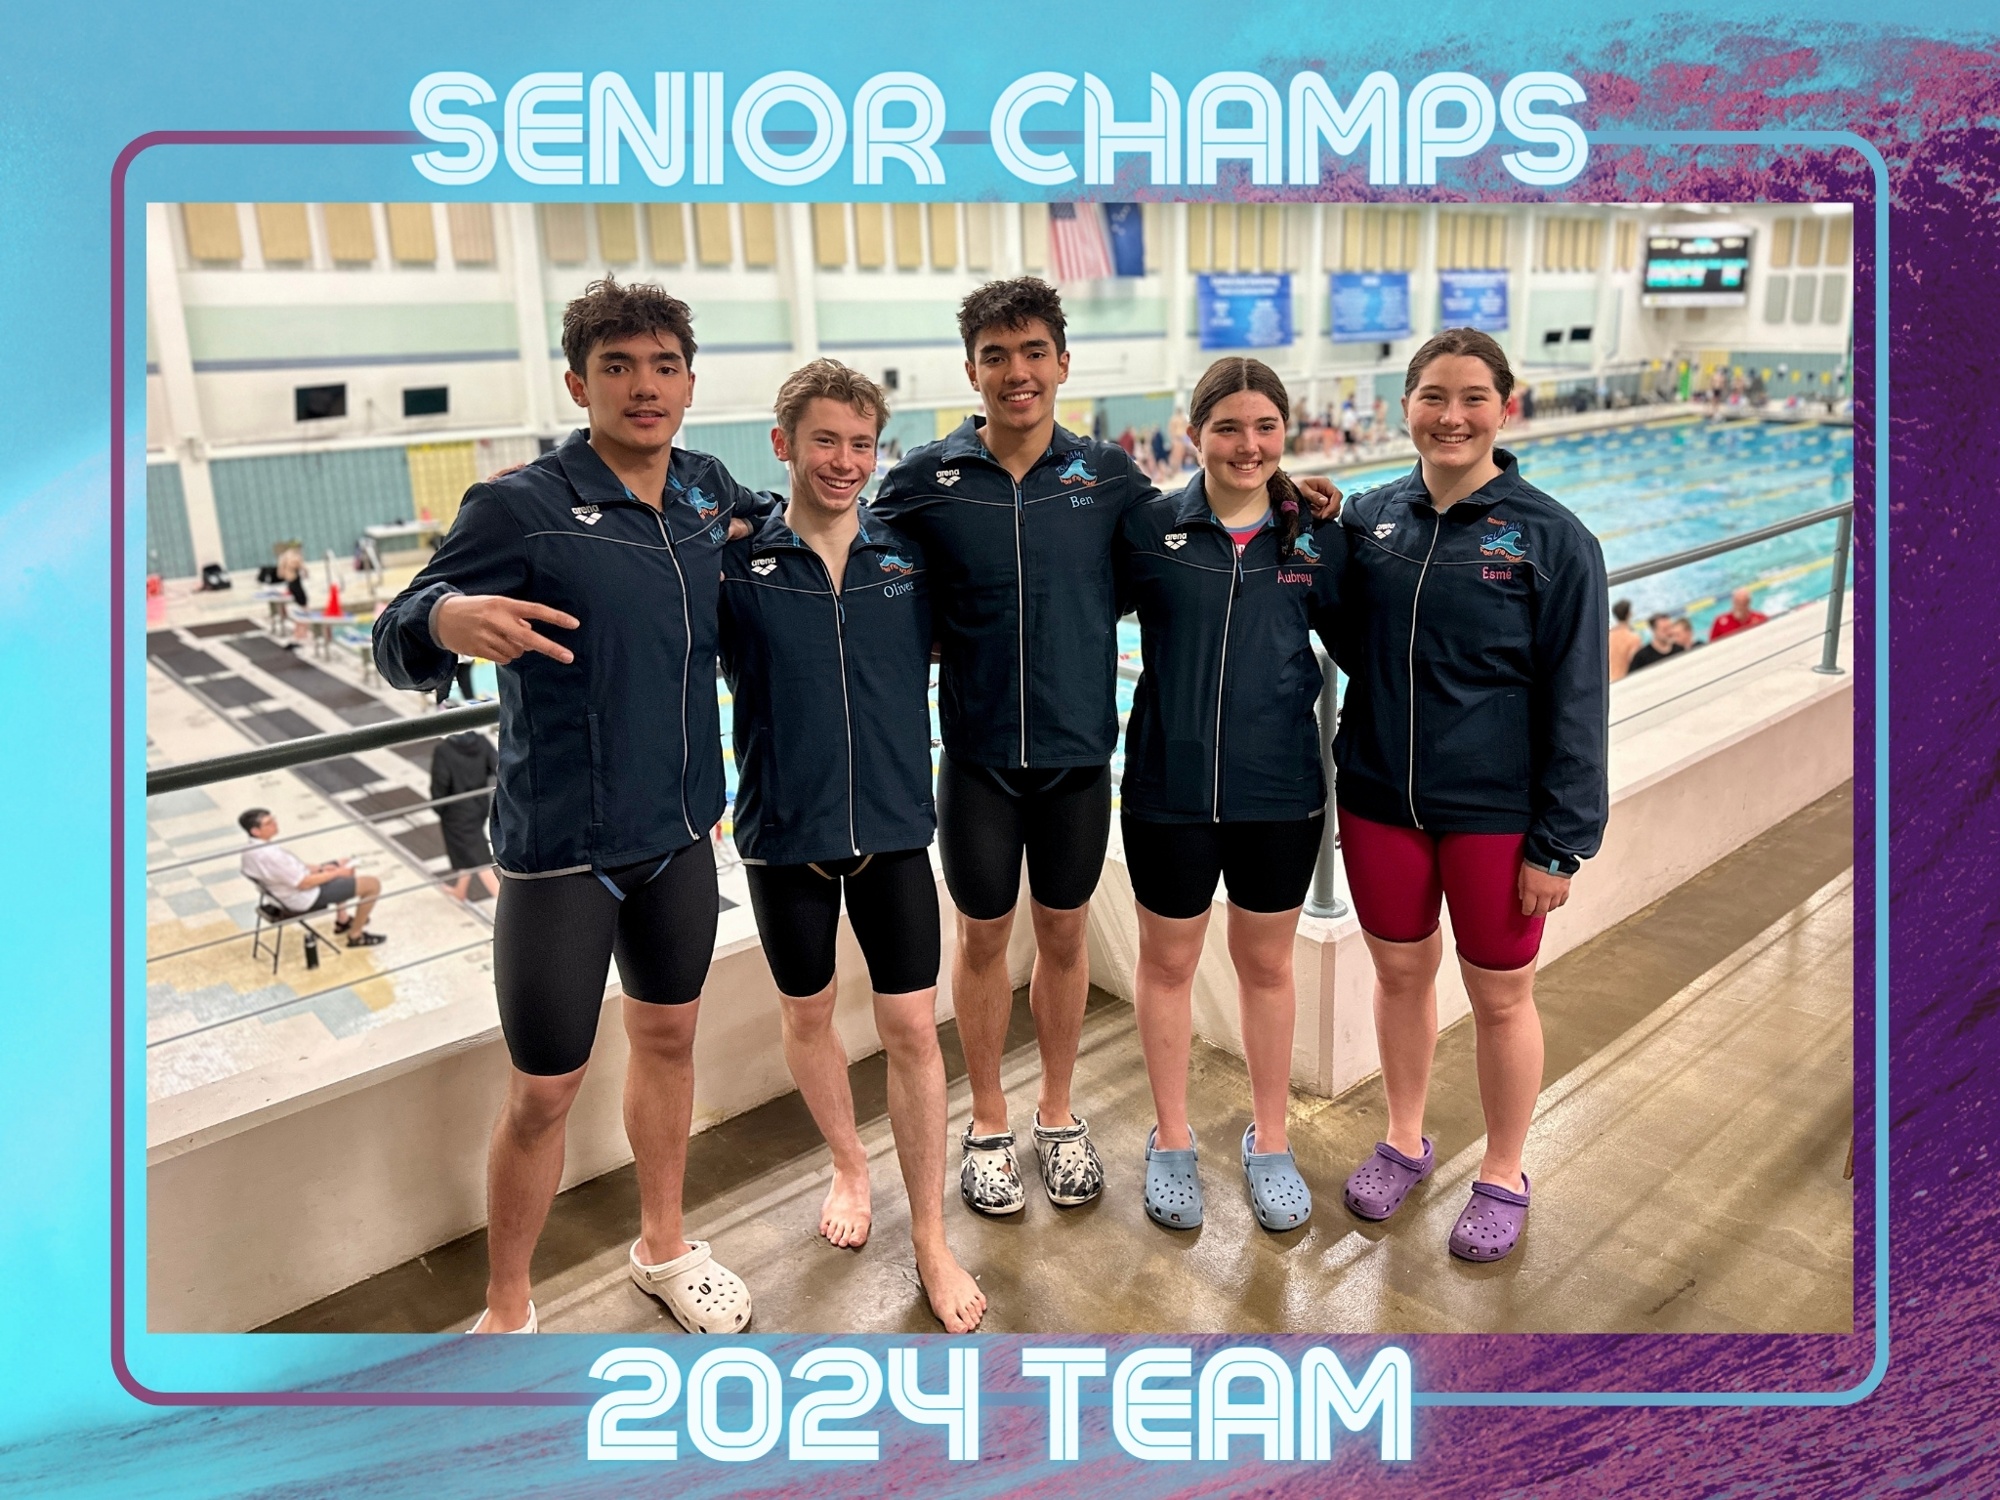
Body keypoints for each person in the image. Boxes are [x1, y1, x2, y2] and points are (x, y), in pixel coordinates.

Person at [871, 278, 1339, 1220]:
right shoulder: (924, 481)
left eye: (1033, 352)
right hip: (977, 757)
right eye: (996, 356)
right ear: (971, 370)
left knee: (1065, 933)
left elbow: (1214, 520)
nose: (1016, 372)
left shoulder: (1111, 480)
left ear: (1062, 363)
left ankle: (1056, 1113)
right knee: (982, 938)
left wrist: (1292, 491)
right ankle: (989, 1121)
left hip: (1080, 757)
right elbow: (857, 552)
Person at [374, 276, 768, 1337]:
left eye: (664, 366)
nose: (644, 387)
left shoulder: (705, 489)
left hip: (680, 835)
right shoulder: (522, 506)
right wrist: (446, 618)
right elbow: (397, 626)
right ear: (577, 383)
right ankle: (506, 1308)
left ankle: (664, 1246)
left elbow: (776, 532)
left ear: (690, 382)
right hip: (563, 854)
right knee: (544, 1092)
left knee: (670, 1042)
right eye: (617, 367)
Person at [1330, 327, 1608, 1263]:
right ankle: (1405, 1138)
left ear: (1505, 409)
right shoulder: (1369, 520)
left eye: (1473, 398)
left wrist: (1560, 841)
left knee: (1500, 997)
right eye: (1434, 397)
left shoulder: (1552, 539)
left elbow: (1578, 697)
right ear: (1405, 406)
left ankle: (1504, 1169)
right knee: (1400, 977)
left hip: (1496, 815)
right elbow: (1341, 633)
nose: (1452, 416)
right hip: (1380, 800)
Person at [719, 359, 985, 1333]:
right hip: (783, 832)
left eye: (861, 444)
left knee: (912, 1028)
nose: (844, 461)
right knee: (809, 1013)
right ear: (782, 444)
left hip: (893, 829)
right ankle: (846, 1163)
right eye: (824, 440)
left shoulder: (905, 555)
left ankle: (931, 1238)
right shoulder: (735, 564)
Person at [1115, 357, 1342, 1233]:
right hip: (1167, 789)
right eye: (1228, 428)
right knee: (1168, 965)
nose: (1248, 446)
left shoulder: (1318, 537)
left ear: (1286, 432)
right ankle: (1172, 1137)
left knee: (1268, 967)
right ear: (1194, 434)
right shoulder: (1149, 529)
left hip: (1279, 792)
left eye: (1265, 427)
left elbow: (1375, 641)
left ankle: (1271, 1140)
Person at [238, 808, 384, 945]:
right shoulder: (270, 856)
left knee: (341, 864)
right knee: (372, 885)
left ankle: (343, 920)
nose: (275, 824)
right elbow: (304, 883)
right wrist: (336, 873)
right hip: (303, 897)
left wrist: (322, 868)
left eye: (273, 819)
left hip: (283, 892)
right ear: (255, 831)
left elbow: (292, 869)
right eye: (269, 823)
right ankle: (356, 936)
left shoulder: (250, 850)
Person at [429, 730, 501, 902]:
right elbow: (498, 766)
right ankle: (460, 890)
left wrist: (439, 809)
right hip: (479, 806)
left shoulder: (444, 750)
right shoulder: (481, 742)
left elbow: (440, 784)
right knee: (466, 849)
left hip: (456, 812)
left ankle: (505, 905)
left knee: (479, 858)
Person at [1608, 598, 1644, 681]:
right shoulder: (1633, 638)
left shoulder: (1608, 636)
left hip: (1610, 681)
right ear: (1629, 614)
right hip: (1625, 679)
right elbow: (1635, 662)